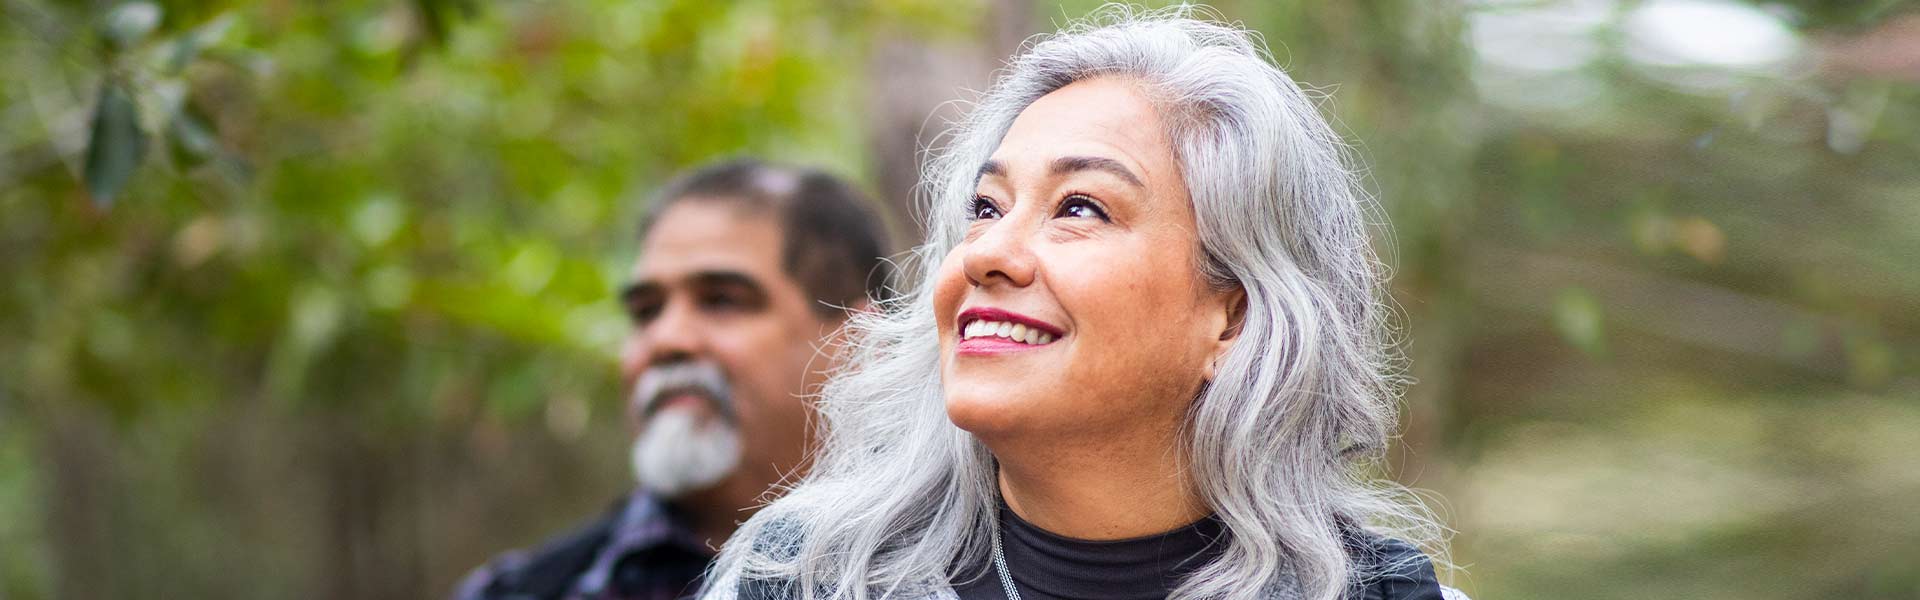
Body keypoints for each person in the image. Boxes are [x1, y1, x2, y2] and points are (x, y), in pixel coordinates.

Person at [702, 7, 1466, 600]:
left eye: (1081, 208)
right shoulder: (798, 577)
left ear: (1230, 318)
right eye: (987, 206)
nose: (989, 253)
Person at [455, 159, 892, 600]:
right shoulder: (524, 591)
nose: (665, 340)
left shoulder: (945, 574)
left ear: (859, 343)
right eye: (647, 311)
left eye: (721, 301)